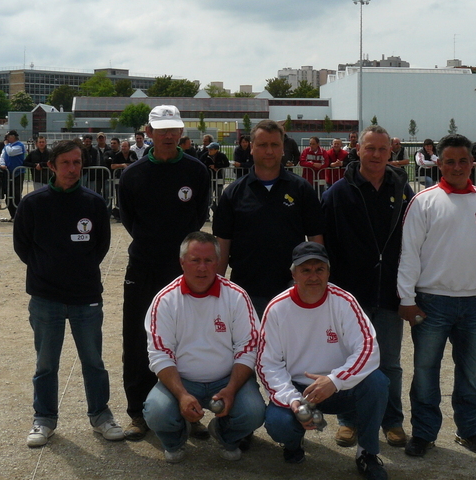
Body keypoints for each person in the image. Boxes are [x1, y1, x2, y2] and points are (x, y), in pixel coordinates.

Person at [13, 139, 124, 448]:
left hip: (85, 296)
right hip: (45, 298)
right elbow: (22, 247)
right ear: (51, 166)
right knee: (46, 363)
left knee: (94, 362)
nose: (72, 169)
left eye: (77, 162)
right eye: (66, 163)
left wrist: (79, 271)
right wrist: (47, 271)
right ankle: (44, 419)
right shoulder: (32, 204)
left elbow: (100, 246)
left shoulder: (94, 203)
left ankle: (101, 415)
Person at [397, 134, 476, 457]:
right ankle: (424, 433)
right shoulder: (424, 201)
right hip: (431, 302)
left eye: (463, 161)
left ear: (473, 162)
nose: (456, 167)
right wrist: (407, 298)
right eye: (449, 161)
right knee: (426, 372)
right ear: (438, 163)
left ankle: (470, 430)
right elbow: (409, 253)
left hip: (473, 304)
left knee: (470, 372)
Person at [257, 242, 389, 480]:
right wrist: (293, 400)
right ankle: (293, 444)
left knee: (377, 383)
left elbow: (368, 348)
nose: (313, 276)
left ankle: (367, 454)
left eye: (319, 269)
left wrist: (335, 380)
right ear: (294, 273)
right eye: (306, 270)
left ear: (328, 272)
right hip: (299, 389)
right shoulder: (277, 308)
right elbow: (268, 364)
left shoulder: (344, 301)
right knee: (278, 424)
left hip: (339, 387)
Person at [118, 105, 210, 441]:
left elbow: (198, 215)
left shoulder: (196, 172)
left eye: (174, 129)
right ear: (149, 132)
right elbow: (129, 219)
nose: (169, 135)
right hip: (143, 265)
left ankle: (191, 410)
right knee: (137, 337)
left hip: (183, 268)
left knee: (189, 337)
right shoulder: (132, 174)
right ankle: (138, 412)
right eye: (162, 129)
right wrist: (152, 243)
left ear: (181, 131)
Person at [321, 125, 412, 449]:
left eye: (381, 149)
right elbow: (324, 246)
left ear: (391, 153)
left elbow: (412, 242)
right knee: (349, 359)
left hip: (389, 292)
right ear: (357, 150)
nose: (375, 155)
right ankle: (350, 421)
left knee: (389, 363)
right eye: (369, 148)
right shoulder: (336, 194)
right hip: (350, 295)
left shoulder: (403, 190)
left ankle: (392, 421)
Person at [143, 232, 265, 464]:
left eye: (209, 260)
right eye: (194, 260)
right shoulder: (166, 300)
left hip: (226, 380)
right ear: (182, 262)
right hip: (183, 380)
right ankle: (175, 440)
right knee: (156, 412)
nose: (202, 267)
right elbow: (160, 353)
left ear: (218, 262)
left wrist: (230, 389)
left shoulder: (237, 296)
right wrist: (181, 394)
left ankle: (224, 434)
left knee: (254, 412)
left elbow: (248, 347)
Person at [213, 119, 324, 317]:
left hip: (292, 291)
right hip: (245, 293)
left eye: (275, 145)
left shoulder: (301, 189)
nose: (269, 151)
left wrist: (318, 284)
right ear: (251, 148)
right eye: (262, 145)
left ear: (283, 149)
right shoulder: (233, 193)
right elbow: (223, 244)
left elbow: (316, 240)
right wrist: (216, 289)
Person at [0, 130, 26, 221]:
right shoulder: (7, 147)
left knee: (17, 194)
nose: (7, 138)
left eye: (8, 136)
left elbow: (10, 152)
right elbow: (2, 156)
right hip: (8, 173)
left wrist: (6, 145)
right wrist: (2, 164)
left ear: (13, 136)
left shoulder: (20, 145)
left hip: (18, 173)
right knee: (8, 195)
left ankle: (20, 216)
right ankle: (13, 215)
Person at [201, 142, 230, 209]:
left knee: (219, 196)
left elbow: (227, 164)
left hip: (219, 178)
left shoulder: (221, 156)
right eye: (209, 149)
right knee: (209, 197)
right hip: (209, 179)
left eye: (211, 149)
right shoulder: (205, 156)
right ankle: (208, 214)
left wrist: (217, 166)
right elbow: (201, 164)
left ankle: (218, 212)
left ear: (216, 150)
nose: (209, 150)